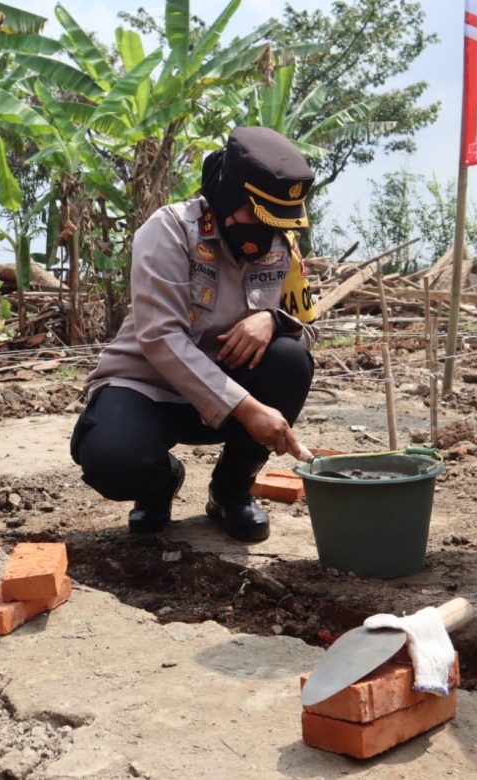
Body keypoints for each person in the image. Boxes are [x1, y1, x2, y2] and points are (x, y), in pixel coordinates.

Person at [71, 127, 317, 543]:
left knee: (291, 361)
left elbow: (308, 328)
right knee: (113, 460)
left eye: (276, 224)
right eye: (257, 219)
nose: (266, 234)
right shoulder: (169, 231)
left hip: (228, 390)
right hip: (147, 388)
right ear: (230, 198)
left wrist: (273, 320)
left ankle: (230, 490)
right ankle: (159, 482)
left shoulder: (282, 246)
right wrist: (246, 408)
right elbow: (160, 337)